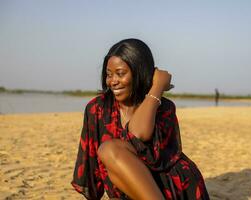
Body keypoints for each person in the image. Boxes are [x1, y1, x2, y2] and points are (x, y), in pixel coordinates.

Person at [71, 38, 210, 200]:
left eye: (120, 74)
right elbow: (92, 168)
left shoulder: (163, 107)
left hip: (169, 188)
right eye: (109, 75)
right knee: (109, 152)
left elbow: (138, 134)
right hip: (129, 193)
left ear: (139, 72)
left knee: (110, 149)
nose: (113, 81)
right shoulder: (97, 109)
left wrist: (156, 89)